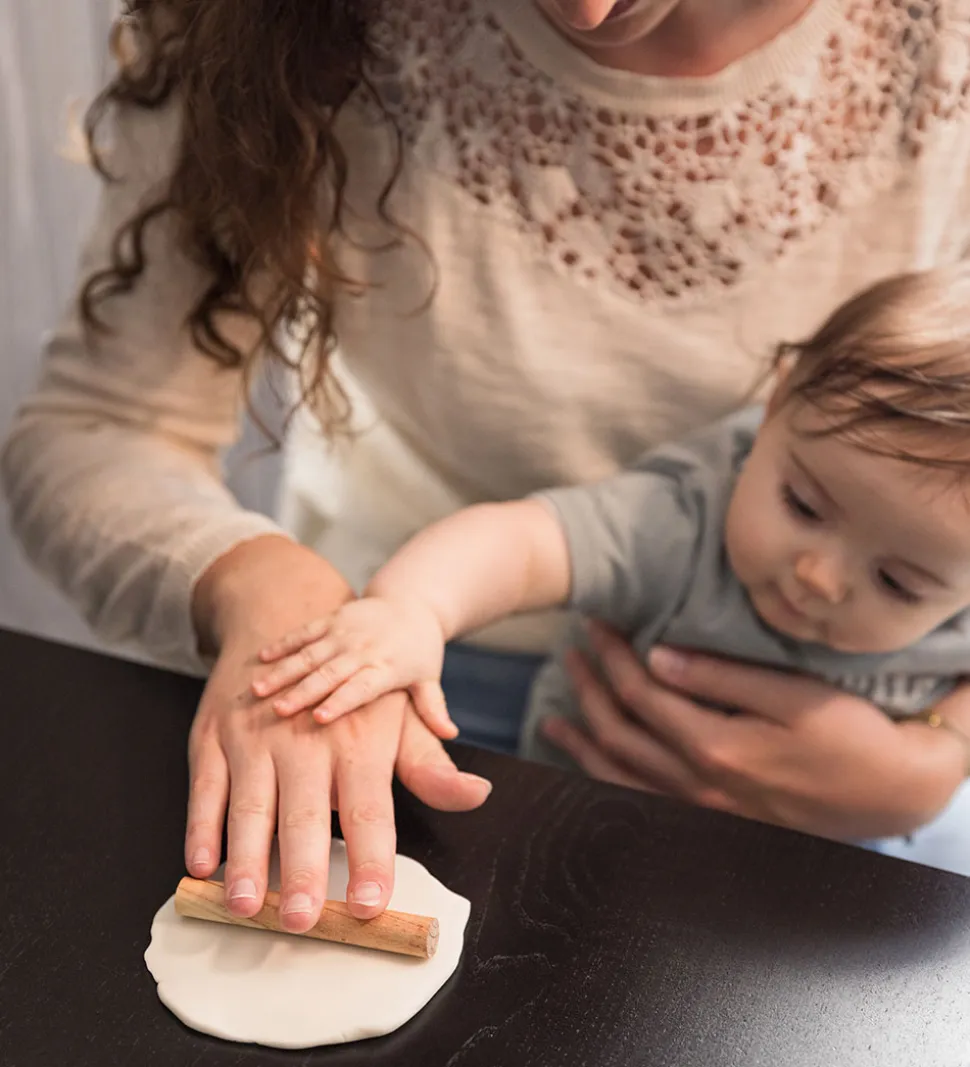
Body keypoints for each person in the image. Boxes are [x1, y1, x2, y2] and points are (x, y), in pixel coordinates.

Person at [4, 0, 970, 940]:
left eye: (899, 576)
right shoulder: (278, 25)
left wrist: (940, 755)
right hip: (416, 683)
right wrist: (279, 596)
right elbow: (101, 423)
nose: (588, 14)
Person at [247, 265, 970, 846]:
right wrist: (411, 608)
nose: (819, 574)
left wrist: (946, 746)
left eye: (898, 582)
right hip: (580, 829)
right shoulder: (686, 521)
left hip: (817, 866)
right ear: (777, 405)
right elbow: (525, 544)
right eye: (804, 506)